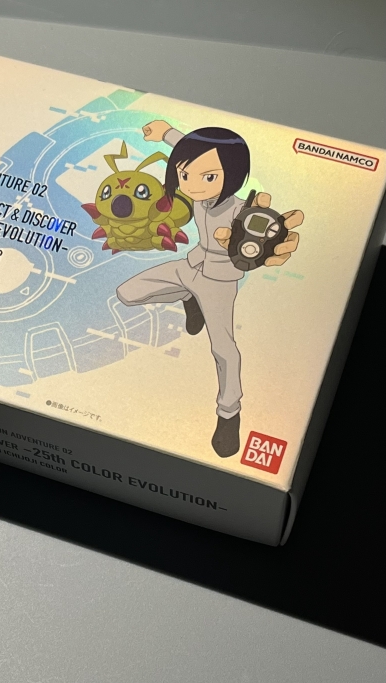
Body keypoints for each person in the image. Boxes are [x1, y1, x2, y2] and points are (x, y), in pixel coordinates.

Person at [115, 120, 304, 457]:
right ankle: (189, 299)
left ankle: (229, 413)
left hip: (219, 282)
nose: (193, 185)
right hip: (190, 265)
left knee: (223, 349)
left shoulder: (241, 211)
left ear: (232, 176)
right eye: (184, 176)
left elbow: (261, 234)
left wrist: (267, 244)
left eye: (209, 178)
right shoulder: (196, 189)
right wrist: (166, 132)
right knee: (127, 293)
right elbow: (192, 154)